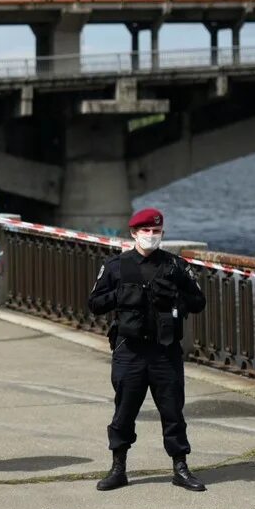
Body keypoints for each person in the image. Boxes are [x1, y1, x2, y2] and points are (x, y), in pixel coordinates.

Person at [88, 207, 207, 492]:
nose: (151, 236)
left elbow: (199, 302)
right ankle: (118, 468)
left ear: (162, 234)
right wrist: (121, 294)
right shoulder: (117, 265)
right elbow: (94, 304)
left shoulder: (176, 266)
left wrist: (178, 295)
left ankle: (180, 467)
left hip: (165, 352)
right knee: (124, 411)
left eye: (156, 232)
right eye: (146, 231)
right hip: (130, 351)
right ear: (134, 233)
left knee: (173, 410)